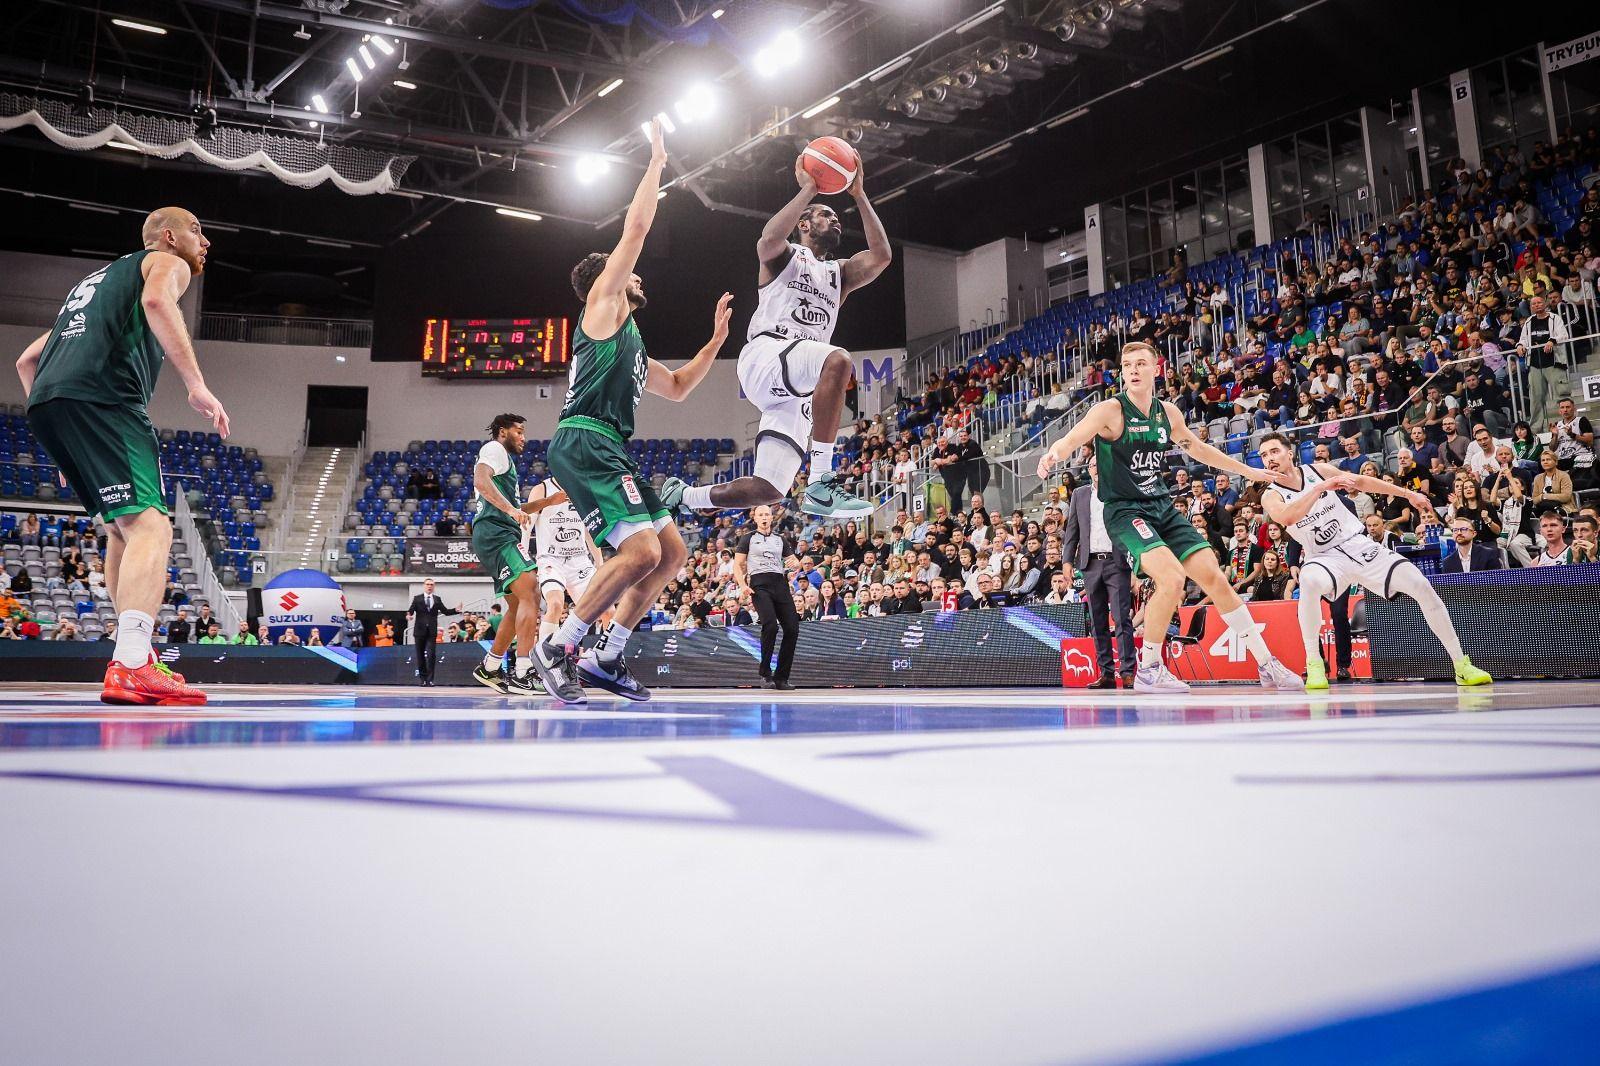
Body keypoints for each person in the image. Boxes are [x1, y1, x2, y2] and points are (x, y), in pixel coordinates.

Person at [534, 119, 734, 704]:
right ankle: (560, 646)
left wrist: (717, 340)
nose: (636, 272)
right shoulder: (603, 304)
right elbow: (639, 226)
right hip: (584, 439)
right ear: (606, 278)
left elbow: (675, 388)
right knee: (641, 552)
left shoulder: (631, 339)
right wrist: (656, 162)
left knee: (671, 553)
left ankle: (607, 656)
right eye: (626, 268)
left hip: (609, 446)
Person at [15, 207, 227, 705]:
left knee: (120, 528)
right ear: (170, 237)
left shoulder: (94, 286)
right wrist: (196, 385)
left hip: (48, 404)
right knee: (153, 526)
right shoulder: (163, 263)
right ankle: (131, 663)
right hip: (106, 400)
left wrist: (63, 446)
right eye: (199, 230)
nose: (206, 241)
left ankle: (137, 655)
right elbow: (157, 302)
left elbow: (27, 360)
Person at [1037, 341, 1303, 694]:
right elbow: (1074, 436)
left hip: (1161, 506)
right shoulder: (1110, 411)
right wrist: (1054, 454)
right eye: (1127, 364)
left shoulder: (1168, 414)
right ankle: (1149, 669)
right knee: (1173, 578)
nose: (1132, 370)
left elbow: (1200, 449)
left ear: (1156, 370)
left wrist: (1249, 471)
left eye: (1140, 363)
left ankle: (1267, 663)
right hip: (1125, 510)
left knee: (1215, 578)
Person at [661, 146, 892, 519]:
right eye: (825, 215)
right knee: (838, 359)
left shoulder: (840, 273)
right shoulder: (786, 257)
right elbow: (767, 240)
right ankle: (821, 480)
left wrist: (859, 194)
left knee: (769, 488)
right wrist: (809, 191)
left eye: (836, 217)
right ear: (804, 224)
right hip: (769, 354)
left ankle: (686, 496)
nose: (835, 221)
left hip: (794, 386)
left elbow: (881, 256)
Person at [1255, 433, 1491, 690]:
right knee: (1309, 582)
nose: (1269, 459)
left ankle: (1461, 665)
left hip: (1359, 544)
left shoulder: (1318, 469)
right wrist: (1319, 489)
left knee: (1421, 585)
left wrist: (1406, 494)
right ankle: (1314, 664)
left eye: (1274, 451)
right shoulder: (1270, 494)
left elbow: (1362, 482)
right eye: (1264, 455)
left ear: (1290, 453)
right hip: (1324, 557)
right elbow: (1288, 517)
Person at [466, 414, 566, 694]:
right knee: (532, 590)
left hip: (500, 531)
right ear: (502, 432)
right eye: (519, 431)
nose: (523, 437)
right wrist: (510, 511)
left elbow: (516, 506)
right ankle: (524, 672)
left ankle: (491, 666)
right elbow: (480, 481)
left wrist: (547, 502)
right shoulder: (494, 450)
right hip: (495, 533)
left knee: (518, 603)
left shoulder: (504, 460)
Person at [1062, 465, 1135, 689]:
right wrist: (1066, 561)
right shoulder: (1079, 494)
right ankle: (1106, 673)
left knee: (1122, 617)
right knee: (1097, 621)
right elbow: (1072, 530)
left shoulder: (1120, 490)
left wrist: (1136, 565)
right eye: (1093, 465)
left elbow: (1131, 527)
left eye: (1099, 464)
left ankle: (1127, 671)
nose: (1096, 468)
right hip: (1090, 564)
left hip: (1117, 562)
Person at [528, 475, 606, 650]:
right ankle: (545, 658)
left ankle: (611, 660)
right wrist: (525, 560)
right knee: (555, 604)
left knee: (607, 610)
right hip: (551, 560)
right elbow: (526, 526)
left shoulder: (584, 488)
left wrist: (599, 562)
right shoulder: (542, 489)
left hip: (579, 560)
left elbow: (589, 530)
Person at [734, 505, 800, 690]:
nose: (764, 517)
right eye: (760, 514)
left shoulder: (780, 539)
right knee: (770, 624)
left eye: (767, 514)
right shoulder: (748, 538)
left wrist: (795, 564)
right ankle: (765, 674)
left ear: (772, 518)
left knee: (792, 628)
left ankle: (782, 677)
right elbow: (738, 565)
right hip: (759, 584)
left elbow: (793, 562)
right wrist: (743, 585)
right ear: (755, 518)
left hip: (779, 583)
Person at [406, 578, 461, 687]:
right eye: (427, 584)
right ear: (424, 585)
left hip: (431, 631)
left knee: (431, 655)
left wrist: (455, 610)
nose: (429, 586)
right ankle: (422, 680)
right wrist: (409, 615)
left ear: (434, 586)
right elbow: (411, 610)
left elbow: (445, 611)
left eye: (431, 584)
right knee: (420, 655)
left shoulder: (437, 599)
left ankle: (430, 680)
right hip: (419, 631)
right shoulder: (417, 599)